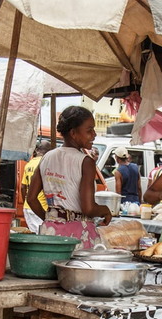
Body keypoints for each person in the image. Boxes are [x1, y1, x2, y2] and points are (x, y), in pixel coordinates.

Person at [28, 106, 113, 249]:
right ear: (73, 133)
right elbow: (88, 208)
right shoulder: (85, 162)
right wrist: (106, 210)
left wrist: (52, 220)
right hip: (77, 235)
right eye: (89, 130)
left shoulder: (46, 157)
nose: (94, 135)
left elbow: (31, 198)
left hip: (49, 233)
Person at [20, 141, 51, 233]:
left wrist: (26, 202)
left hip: (28, 207)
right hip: (40, 207)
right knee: (42, 237)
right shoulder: (46, 163)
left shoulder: (28, 164)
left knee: (35, 235)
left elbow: (23, 187)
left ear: (37, 150)